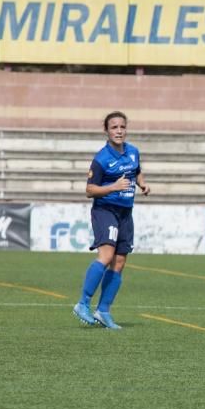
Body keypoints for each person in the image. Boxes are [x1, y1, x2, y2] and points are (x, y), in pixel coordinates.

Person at [73, 111, 150, 329]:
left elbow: (137, 171)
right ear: (106, 131)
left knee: (119, 262)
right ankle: (83, 303)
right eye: (114, 127)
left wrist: (143, 184)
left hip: (126, 212)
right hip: (105, 210)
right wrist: (113, 187)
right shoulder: (102, 158)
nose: (119, 131)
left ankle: (103, 311)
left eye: (122, 127)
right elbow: (89, 190)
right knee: (106, 256)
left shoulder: (133, 151)